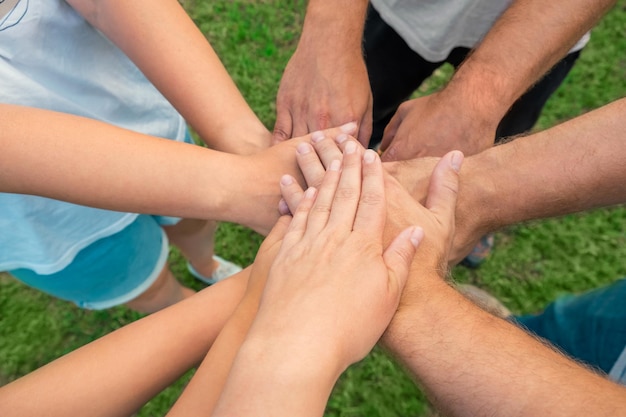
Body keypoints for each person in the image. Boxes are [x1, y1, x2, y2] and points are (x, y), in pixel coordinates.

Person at [1, 0, 279, 312]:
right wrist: (244, 184)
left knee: (195, 225)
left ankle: (206, 265)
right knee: (150, 290)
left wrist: (248, 147)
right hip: (41, 220)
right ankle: (207, 315)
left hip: (139, 123)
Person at [274, 0, 614, 159]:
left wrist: (479, 99)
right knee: (348, 117)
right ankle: (343, 163)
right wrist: (330, 31)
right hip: (407, 8)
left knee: (490, 146)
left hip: (545, 28)